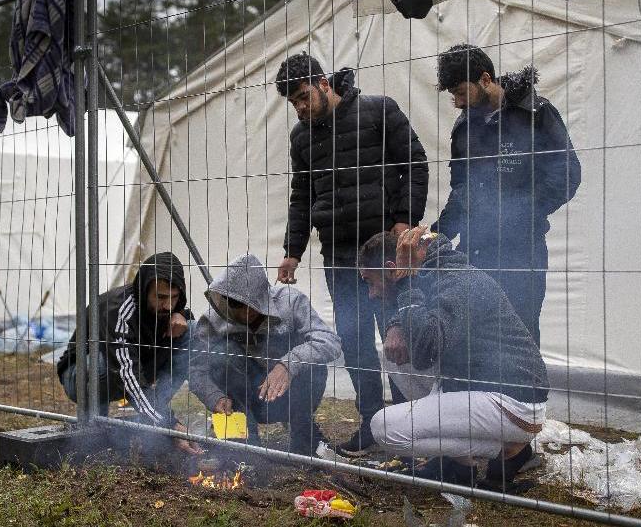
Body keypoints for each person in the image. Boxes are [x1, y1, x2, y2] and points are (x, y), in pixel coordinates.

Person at [275, 52, 429, 456]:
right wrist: (293, 250)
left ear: (324, 83)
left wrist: (404, 221)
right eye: (293, 103)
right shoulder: (301, 137)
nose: (301, 107)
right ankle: (374, 424)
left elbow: (414, 162)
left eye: (304, 96)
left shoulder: (380, 111)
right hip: (340, 254)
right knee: (355, 341)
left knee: (398, 335)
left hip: (384, 251)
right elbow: (302, 195)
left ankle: (410, 423)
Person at [358, 227, 549, 491]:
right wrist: (394, 324)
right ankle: (459, 465)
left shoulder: (458, 281)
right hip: (478, 385)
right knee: (394, 355)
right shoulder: (432, 275)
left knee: (384, 427)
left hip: (514, 403)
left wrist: (407, 284)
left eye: (370, 281)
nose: (372, 294)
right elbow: (420, 328)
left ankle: (512, 449)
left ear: (393, 269)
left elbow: (425, 349)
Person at [433, 44, 581, 345]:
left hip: (522, 250)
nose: (458, 102)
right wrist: (440, 235)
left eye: (462, 92)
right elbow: (461, 189)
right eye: (453, 95)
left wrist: (521, 211)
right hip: (474, 251)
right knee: (478, 337)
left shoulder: (535, 114)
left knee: (520, 333)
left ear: (485, 79)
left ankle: (522, 394)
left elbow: (568, 173)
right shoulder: (464, 128)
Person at [189, 253, 341, 456]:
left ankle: (303, 443)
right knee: (223, 356)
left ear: (261, 297)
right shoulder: (213, 320)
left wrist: (288, 364)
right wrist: (214, 397)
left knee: (313, 367)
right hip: (246, 400)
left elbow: (329, 341)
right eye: (234, 305)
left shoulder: (291, 302)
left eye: (247, 306)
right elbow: (196, 369)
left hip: (290, 397)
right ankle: (245, 446)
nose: (241, 313)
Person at [56, 252, 202, 455]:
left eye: (174, 298)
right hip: (82, 375)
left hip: (132, 367)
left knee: (190, 329)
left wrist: (183, 315)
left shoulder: (168, 309)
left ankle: (151, 412)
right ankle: (92, 426)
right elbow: (127, 375)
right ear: (144, 290)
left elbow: (180, 325)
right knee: (105, 362)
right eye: (160, 297)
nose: (168, 305)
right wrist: (170, 425)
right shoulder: (118, 311)